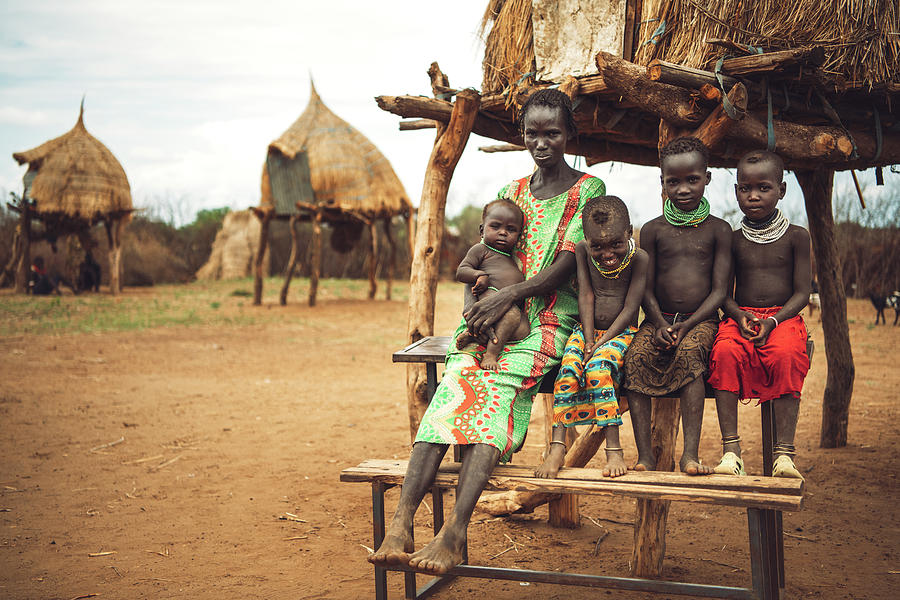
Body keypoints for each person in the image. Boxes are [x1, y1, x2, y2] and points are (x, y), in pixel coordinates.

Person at [367, 88, 605, 575]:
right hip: (493, 321)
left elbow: (564, 265)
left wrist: (508, 297)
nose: (542, 143)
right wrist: (478, 311)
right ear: (522, 135)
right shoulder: (512, 193)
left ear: (571, 134)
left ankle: (454, 532)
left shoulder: (588, 191)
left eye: (553, 133)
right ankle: (401, 523)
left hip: (547, 324)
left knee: (493, 394)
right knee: (452, 390)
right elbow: (483, 263)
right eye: (533, 133)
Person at [622, 137, 732, 475]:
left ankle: (690, 455)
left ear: (707, 178)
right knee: (635, 358)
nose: (683, 189)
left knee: (689, 356)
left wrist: (685, 327)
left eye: (692, 180)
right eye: (674, 181)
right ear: (662, 182)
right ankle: (644, 456)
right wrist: (656, 323)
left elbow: (719, 291)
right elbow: (645, 286)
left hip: (702, 321)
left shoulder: (719, 230)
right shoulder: (653, 230)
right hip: (658, 318)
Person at [708, 150, 811, 479]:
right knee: (724, 351)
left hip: (782, 319)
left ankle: (784, 454)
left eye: (763, 188)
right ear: (736, 190)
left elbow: (802, 293)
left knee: (787, 353)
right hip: (741, 318)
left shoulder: (797, 236)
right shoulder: (732, 239)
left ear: (781, 190)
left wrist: (773, 321)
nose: (753, 196)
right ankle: (731, 451)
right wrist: (739, 317)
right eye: (744, 188)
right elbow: (722, 292)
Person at [536, 195, 648, 479]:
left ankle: (614, 450)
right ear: (586, 238)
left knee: (599, 369)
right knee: (568, 371)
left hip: (621, 333)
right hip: (585, 331)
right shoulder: (582, 251)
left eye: (615, 244)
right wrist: (587, 340)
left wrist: (599, 344)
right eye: (597, 246)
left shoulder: (640, 259)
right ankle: (557, 448)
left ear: (629, 232)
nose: (607, 253)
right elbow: (585, 295)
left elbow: (630, 309)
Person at [454, 199, 530, 371]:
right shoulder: (481, 251)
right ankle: (491, 354)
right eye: (495, 227)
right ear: (482, 230)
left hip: (508, 313)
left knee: (524, 330)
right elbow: (461, 271)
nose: (503, 233)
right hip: (489, 302)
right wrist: (479, 274)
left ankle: (475, 335)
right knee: (511, 315)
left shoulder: (512, 258)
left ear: (519, 235)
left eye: (511, 230)